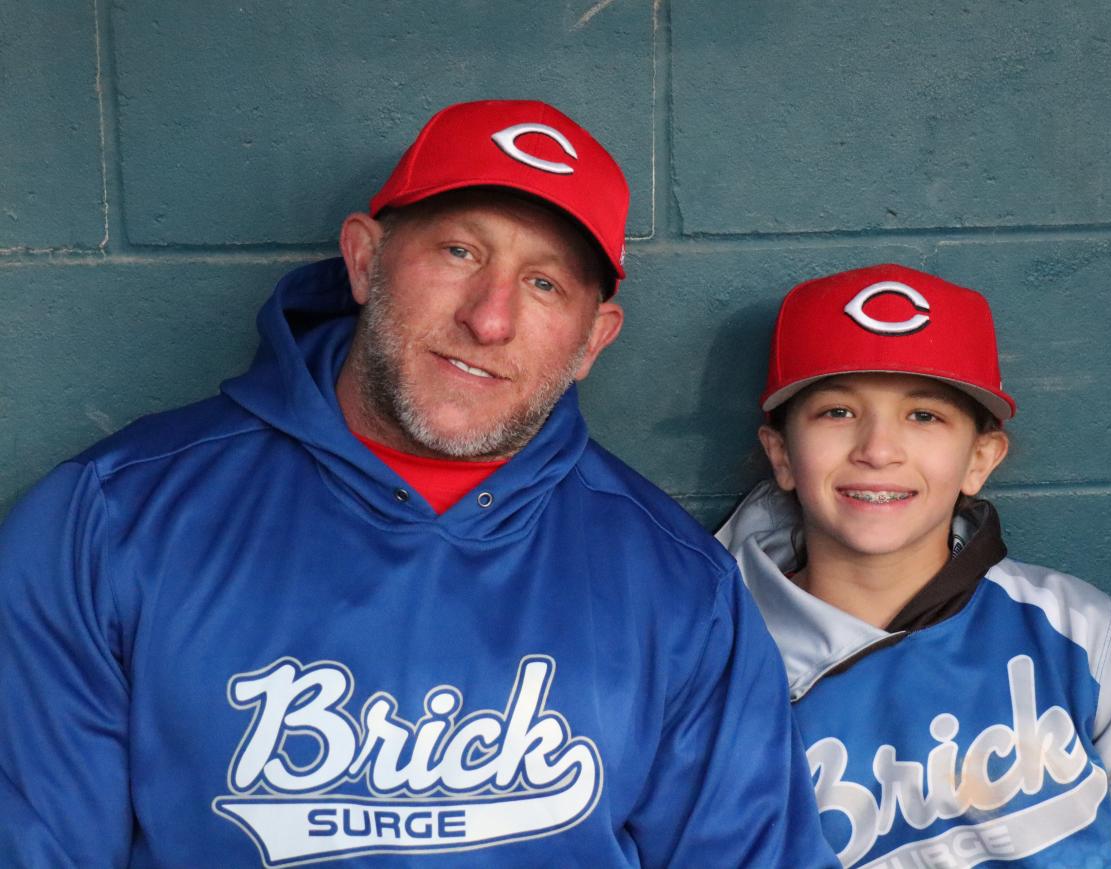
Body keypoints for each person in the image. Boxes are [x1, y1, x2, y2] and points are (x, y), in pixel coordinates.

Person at [0, 100, 837, 869]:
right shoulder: (107, 521)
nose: (490, 317)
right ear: (365, 261)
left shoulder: (678, 584)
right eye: (459, 251)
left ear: (593, 339)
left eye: (544, 283)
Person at [717, 263, 1111, 868]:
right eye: (837, 412)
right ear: (781, 454)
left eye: (924, 416)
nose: (878, 450)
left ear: (980, 459)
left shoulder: (1080, 630)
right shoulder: (714, 649)